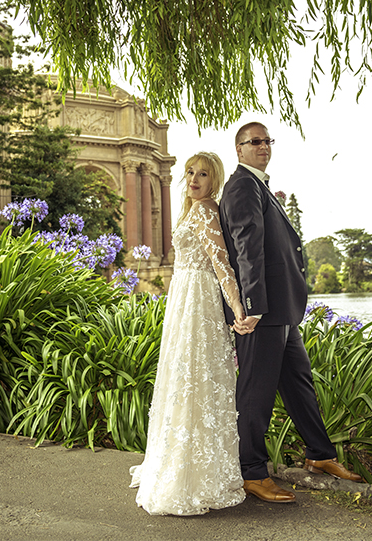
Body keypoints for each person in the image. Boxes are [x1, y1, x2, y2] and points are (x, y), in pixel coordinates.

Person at [219, 122, 362, 504]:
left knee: (299, 384)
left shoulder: (260, 185)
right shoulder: (241, 186)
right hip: (262, 312)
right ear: (239, 149)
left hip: (281, 309)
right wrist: (252, 307)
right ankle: (251, 472)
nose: (263, 146)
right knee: (255, 393)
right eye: (255, 141)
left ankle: (319, 454)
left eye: (267, 141)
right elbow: (247, 248)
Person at [129, 152, 247, 516]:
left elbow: (221, 263)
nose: (194, 179)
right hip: (184, 298)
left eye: (204, 174)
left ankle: (193, 473)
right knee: (188, 379)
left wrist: (239, 307)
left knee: (194, 378)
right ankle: (185, 463)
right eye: (190, 172)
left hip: (198, 301)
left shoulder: (205, 210)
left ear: (215, 180)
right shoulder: (194, 208)